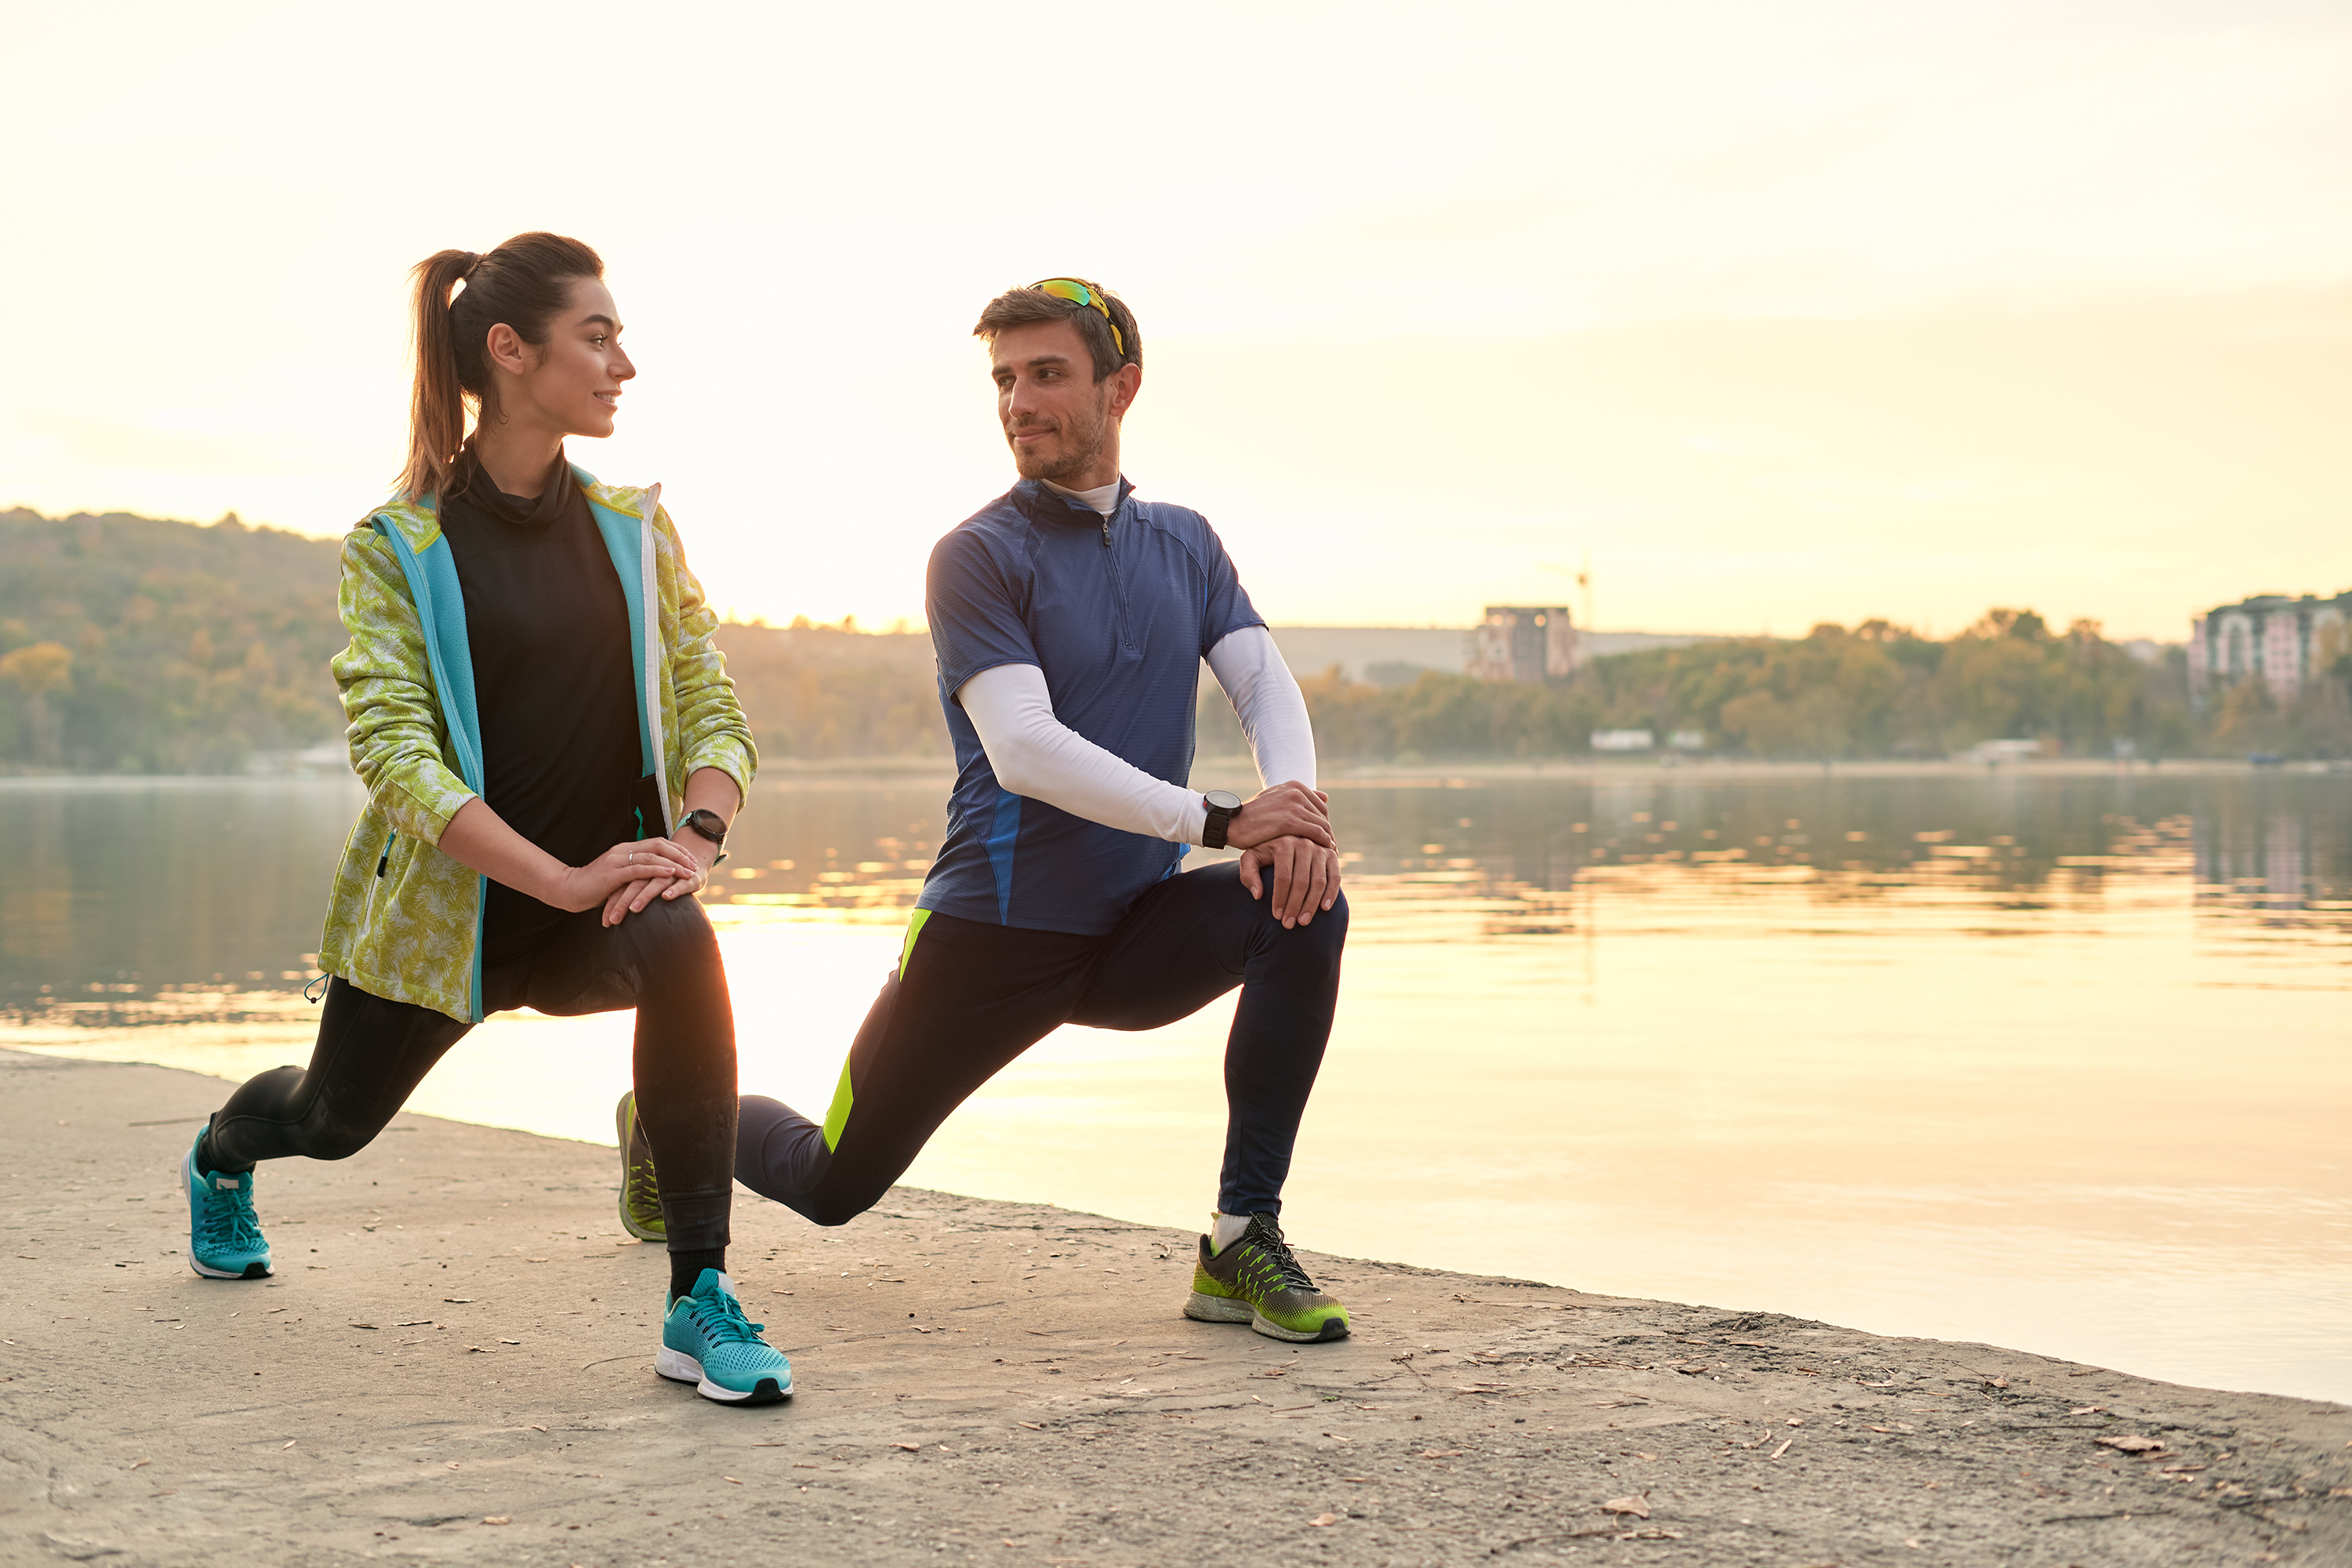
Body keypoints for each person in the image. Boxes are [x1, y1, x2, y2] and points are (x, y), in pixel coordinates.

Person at [622, 278, 1355, 1344]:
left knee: (1305, 906)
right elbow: (1024, 750)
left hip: (1129, 932)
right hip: (987, 938)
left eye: (1047, 374)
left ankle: (1241, 1237)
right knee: (830, 1184)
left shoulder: (1185, 543)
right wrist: (1223, 822)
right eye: (1005, 380)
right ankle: (662, 1117)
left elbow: (1263, 685)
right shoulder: (977, 555)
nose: (1019, 400)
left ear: (1122, 388)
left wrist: (1294, 827)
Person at [180, 232, 792, 1406]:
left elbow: (708, 693)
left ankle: (698, 1297)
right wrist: (552, 879)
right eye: (598, 335)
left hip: (597, 903)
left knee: (681, 943)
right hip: (445, 926)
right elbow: (395, 755)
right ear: (510, 351)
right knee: (329, 1119)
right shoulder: (397, 545)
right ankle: (219, 1154)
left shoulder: (635, 527)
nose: (624, 362)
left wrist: (699, 835)